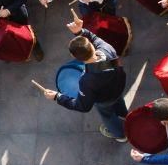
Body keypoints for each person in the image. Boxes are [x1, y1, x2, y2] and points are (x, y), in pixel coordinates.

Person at [40, 12, 128, 140]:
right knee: (119, 101)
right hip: (119, 86)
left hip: (105, 99)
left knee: (107, 115)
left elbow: (83, 106)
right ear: (91, 45)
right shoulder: (107, 48)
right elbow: (94, 37)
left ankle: (120, 135)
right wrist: (80, 31)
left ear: (74, 57)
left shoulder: (87, 80)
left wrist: (57, 97)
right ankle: (124, 115)